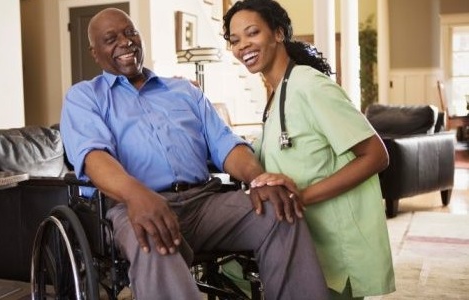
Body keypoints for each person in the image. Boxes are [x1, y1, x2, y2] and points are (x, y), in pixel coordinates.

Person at [60, 7, 329, 300]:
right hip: (136, 204)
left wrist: (258, 178)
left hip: (204, 202)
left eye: (130, 32)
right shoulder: (85, 97)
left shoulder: (184, 91)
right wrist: (137, 195)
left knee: (280, 209)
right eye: (110, 39)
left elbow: (226, 145)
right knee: (150, 236)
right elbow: (93, 157)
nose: (125, 42)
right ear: (95, 52)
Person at [222, 0, 396, 299]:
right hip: (305, 240)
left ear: (278, 33)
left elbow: (376, 155)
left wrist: (300, 197)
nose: (242, 46)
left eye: (252, 33)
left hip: (337, 247)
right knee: (230, 269)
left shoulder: (311, 86)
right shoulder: (279, 94)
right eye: (235, 40)